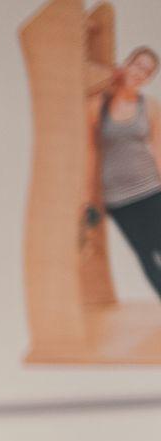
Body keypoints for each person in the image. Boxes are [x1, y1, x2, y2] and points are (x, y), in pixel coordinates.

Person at [88, 45, 161, 300]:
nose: (141, 72)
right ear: (126, 65)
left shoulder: (149, 106)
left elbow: (158, 150)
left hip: (151, 192)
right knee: (145, 254)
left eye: (148, 71)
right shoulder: (99, 106)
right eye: (138, 65)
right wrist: (90, 198)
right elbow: (91, 153)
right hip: (118, 200)